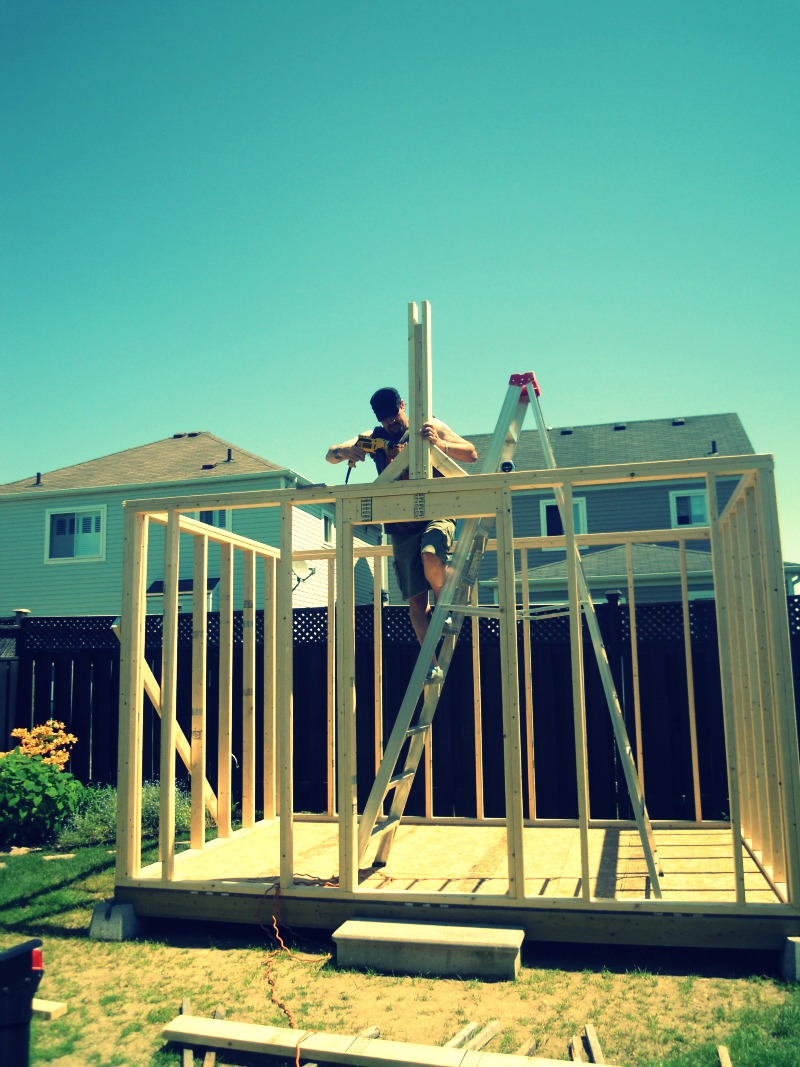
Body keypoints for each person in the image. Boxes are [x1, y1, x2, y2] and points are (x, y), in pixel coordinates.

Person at [327, 387, 478, 683]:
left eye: (394, 418)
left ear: (403, 406)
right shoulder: (374, 436)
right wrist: (348, 451)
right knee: (414, 602)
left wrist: (440, 446)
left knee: (431, 556)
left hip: (435, 512)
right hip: (400, 525)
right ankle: (431, 665)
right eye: (385, 421)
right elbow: (330, 455)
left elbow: (471, 453)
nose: (390, 425)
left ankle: (443, 605)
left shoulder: (430, 426)